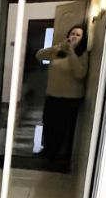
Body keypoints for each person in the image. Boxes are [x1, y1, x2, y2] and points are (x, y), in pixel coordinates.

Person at [35, 24, 89, 168]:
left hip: (69, 98)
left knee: (60, 129)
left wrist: (71, 52)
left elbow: (80, 73)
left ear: (83, 38)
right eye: (72, 33)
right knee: (48, 124)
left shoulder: (82, 54)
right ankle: (47, 151)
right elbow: (39, 55)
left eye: (78, 35)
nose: (74, 36)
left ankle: (55, 157)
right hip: (52, 95)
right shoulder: (59, 52)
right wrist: (57, 47)